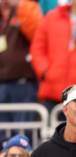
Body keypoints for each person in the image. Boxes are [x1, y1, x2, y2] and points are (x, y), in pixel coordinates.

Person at [0, 0, 42, 134]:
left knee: (22, 133)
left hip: (23, 84)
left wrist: (18, 5)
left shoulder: (27, 8)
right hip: (2, 84)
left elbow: (38, 30)